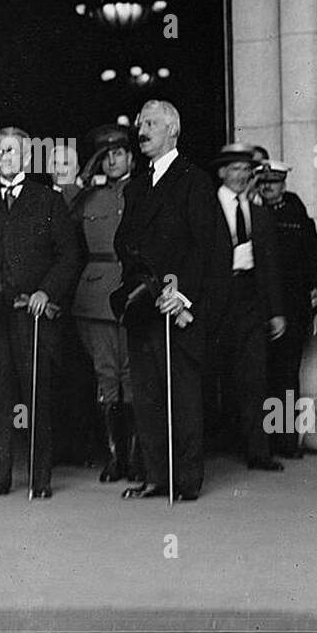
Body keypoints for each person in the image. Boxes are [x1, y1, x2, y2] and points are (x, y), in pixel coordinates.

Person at [113, 101, 230, 501]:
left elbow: (210, 249)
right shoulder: (136, 186)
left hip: (177, 307)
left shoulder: (194, 181)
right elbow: (125, 244)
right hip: (143, 305)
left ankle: (185, 481)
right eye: (141, 123)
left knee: (181, 395)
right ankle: (155, 476)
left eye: (151, 124)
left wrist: (182, 296)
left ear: (172, 131)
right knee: (146, 395)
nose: (142, 131)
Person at [0, 127, 82, 499]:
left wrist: (47, 290)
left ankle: (40, 476)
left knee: (35, 393)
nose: (4, 158)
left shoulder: (47, 201)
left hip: (32, 314)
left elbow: (68, 255)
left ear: (27, 158)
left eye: (11, 152)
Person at [70, 124, 141, 482]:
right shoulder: (87, 197)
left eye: (118, 153)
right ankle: (116, 458)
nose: (112, 160)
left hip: (133, 292)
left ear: (131, 156)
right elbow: (58, 214)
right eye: (105, 155)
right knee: (106, 375)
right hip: (96, 295)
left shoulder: (144, 190)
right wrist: (85, 176)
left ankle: (135, 456)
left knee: (133, 376)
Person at [209, 144, 287, 470]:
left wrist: (276, 311)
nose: (242, 176)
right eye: (235, 169)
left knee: (255, 377)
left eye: (246, 170)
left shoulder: (261, 215)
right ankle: (213, 445)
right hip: (214, 303)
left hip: (251, 301)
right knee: (213, 377)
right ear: (222, 173)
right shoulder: (206, 208)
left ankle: (258, 452)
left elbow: (271, 267)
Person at [257, 160, 317, 458]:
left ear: (283, 184)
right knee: (260, 377)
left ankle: (285, 442)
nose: (268, 188)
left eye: (273, 182)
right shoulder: (251, 213)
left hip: (293, 310)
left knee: (286, 377)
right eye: (263, 183)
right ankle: (261, 443)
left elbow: (314, 262)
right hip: (259, 310)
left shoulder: (297, 215)